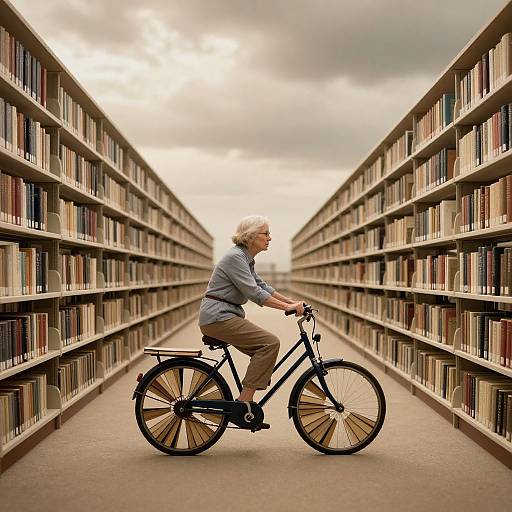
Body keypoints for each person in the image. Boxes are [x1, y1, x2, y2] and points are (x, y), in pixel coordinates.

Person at [199, 215, 305, 413]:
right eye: (266, 234)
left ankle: (246, 396)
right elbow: (254, 293)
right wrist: (286, 308)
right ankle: (243, 403)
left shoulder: (245, 258)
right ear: (251, 236)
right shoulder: (235, 258)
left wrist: (291, 302)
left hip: (224, 315)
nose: (270, 238)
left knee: (264, 350)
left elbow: (262, 285)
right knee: (269, 343)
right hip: (218, 317)